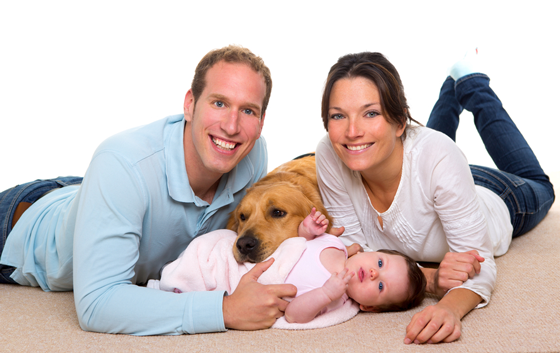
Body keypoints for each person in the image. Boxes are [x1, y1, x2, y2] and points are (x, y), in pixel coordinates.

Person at [0, 45, 298, 335]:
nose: (232, 126)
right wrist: (225, 310)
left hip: (96, 188)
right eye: (219, 103)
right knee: (118, 176)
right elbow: (97, 303)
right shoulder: (122, 164)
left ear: (261, 123)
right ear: (190, 105)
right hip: (22, 221)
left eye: (247, 110)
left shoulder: (252, 154)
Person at [315, 49, 555, 344]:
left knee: (542, 186)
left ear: (400, 121)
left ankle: (471, 83)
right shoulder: (330, 151)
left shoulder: (438, 156)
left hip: (497, 194)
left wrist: (449, 309)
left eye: (371, 113)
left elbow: (480, 264)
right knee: (430, 153)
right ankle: (449, 90)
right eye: (338, 115)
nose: (352, 131)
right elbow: (353, 250)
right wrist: (429, 279)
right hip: (438, 175)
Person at [150, 208, 426, 324]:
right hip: (242, 258)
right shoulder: (337, 244)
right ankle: (176, 266)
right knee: (220, 241)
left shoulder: (334, 299)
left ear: (368, 307)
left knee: (202, 285)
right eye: (380, 262)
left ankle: (174, 285)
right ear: (372, 251)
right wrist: (308, 228)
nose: (375, 272)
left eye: (380, 285)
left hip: (243, 280)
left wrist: (326, 294)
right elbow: (297, 244)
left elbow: (294, 314)